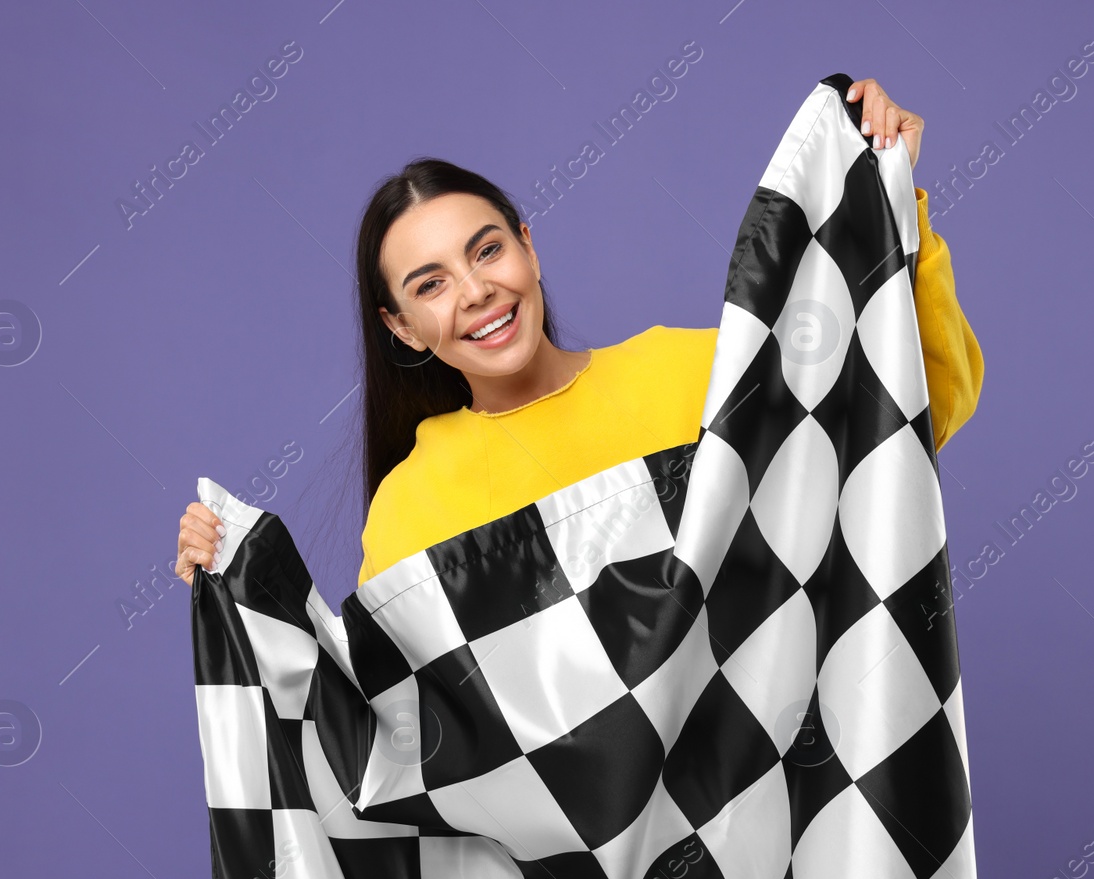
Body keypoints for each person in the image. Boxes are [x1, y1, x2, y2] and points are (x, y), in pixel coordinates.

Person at [175, 77, 983, 588]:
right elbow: (385, 727)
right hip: (575, 864)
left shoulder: (687, 370)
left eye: (486, 249)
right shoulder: (414, 503)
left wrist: (892, 204)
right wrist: (237, 587)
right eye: (431, 284)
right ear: (403, 327)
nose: (476, 291)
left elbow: (910, 417)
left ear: (527, 244)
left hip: (763, 823)